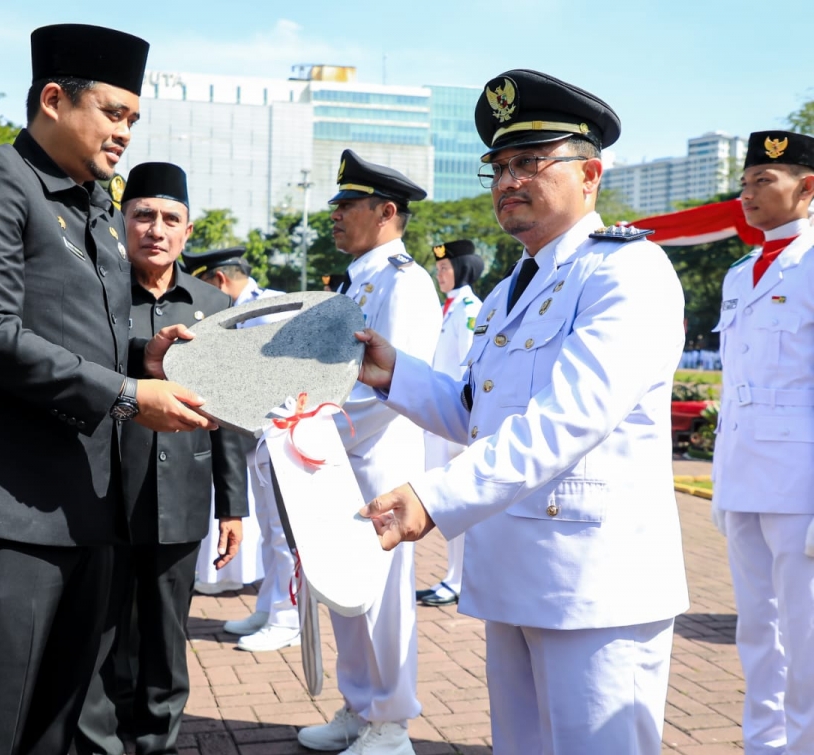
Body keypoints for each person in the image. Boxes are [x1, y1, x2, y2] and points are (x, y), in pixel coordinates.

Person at [354, 70, 688, 753]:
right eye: (500, 166)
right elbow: (479, 413)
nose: (509, 180)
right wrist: (390, 370)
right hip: (515, 573)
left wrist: (433, 497)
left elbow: (569, 417)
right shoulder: (511, 290)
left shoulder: (627, 271)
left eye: (532, 161)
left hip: (597, 587)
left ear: (590, 173)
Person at [0, 25, 214, 755]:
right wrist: (125, 393)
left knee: (60, 727)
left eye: (133, 120)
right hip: (4, 513)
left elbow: (79, 329)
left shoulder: (97, 208)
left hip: (84, 515)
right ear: (53, 98)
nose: (124, 134)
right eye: (114, 113)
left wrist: (147, 354)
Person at [76, 161, 250, 755]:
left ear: (187, 230)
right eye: (142, 215)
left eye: (169, 218)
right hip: (98, 490)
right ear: (122, 223)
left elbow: (229, 414)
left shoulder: (211, 303)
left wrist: (233, 506)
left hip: (179, 496)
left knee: (165, 634)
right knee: (98, 631)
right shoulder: (95, 291)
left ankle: (157, 740)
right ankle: (102, 742)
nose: (155, 228)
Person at [294, 150, 439, 755]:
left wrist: (314, 422)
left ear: (385, 211)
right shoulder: (357, 278)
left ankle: (392, 723)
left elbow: (396, 383)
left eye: (346, 205)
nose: (335, 216)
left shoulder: (404, 281)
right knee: (343, 588)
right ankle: (359, 707)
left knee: (380, 598)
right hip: (340, 453)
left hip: (376, 453)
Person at [710, 130, 814, 754]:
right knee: (758, 631)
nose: (747, 194)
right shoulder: (740, 272)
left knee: (805, 637)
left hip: (800, 482)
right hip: (744, 472)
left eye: (763, 182)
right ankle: (764, 745)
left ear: (807, 187)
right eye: (745, 182)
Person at [187, 246, 301, 651]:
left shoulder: (268, 309)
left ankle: (289, 619)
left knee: (285, 535)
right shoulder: (243, 311)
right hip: (258, 440)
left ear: (219, 280)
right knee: (271, 532)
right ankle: (269, 608)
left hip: (285, 436)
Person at [417, 239, 484, 608]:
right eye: (439, 269)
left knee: (458, 506)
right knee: (448, 507)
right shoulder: (451, 309)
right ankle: (452, 576)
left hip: (457, 423)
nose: (440, 274)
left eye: (446, 268)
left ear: (463, 269)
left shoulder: (469, 310)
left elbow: (468, 368)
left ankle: (459, 579)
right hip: (440, 422)